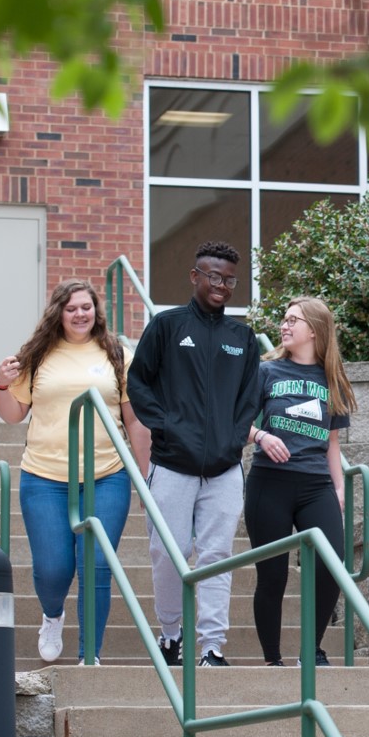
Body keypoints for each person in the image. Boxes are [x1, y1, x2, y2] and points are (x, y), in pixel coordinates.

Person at [0, 280, 150, 664]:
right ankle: (52, 614)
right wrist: (0, 382)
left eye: (87, 306)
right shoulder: (39, 355)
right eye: (72, 308)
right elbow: (12, 415)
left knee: (96, 567)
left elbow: (136, 423)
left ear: (97, 310)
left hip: (106, 477)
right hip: (44, 478)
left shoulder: (118, 354)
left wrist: (147, 480)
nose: (81, 314)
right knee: (53, 569)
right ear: (58, 313)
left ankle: (89, 656)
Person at [126, 241, 260, 667]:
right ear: (195, 276)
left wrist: (233, 438)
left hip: (224, 469)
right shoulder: (166, 327)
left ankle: (212, 647)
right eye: (213, 276)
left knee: (218, 554)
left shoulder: (243, 338)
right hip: (172, 465)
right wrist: (165, 426)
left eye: (229, 279)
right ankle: (171, 633)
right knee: (168, 551)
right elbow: (138, 382)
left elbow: (249, 397)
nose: (221, 285)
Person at [245, 297, 357, 667]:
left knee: (331, 565)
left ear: (315, 330)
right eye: (284, 318)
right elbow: (236, 422)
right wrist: (261, 436)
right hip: (269, 483)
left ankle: (312, 649)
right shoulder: (266, 371)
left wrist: (338, 488)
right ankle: (273, 661)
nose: (284, 325)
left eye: (293, 320)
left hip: (315, 485)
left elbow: (332, 442)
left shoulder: (332, 379)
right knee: (273, 575)